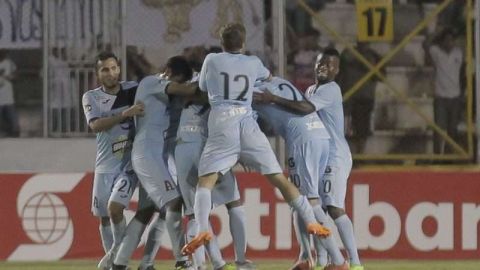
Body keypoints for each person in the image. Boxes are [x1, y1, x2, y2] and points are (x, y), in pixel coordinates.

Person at [181, 23, 331, 259]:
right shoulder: (253, 63)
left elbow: (202, 87)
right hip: (247, 122)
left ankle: (201, 230)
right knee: (280, 179)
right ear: (243, 44)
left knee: (205, 182)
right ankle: (311, 221)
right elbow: (268, 77)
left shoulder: (212, 59)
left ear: (222, 43)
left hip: (223, 122)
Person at [254, 48, 362, 270]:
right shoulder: (312, 89)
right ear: (315, 65)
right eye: (321, 63)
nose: (324, 67)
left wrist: (273, 99)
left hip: (335, 154)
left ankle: (354, 262)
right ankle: (320, 260)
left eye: (330, 65)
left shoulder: (331, 89)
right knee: (311, 204)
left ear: (337, 70)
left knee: (332, 207)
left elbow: (306, 108)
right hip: (320, 150)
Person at [176, 45, 255, 270]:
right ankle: (240, 260)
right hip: (212, 148)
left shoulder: (191, 83)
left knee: (195, 212)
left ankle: (205, 264)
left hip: (185, 148)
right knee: (233, 203)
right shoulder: (229, 86)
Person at [130, 55, 198, 270]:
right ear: (168, 71)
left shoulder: (171, 89)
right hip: (151, 154)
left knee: (157, 211)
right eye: (176, 79)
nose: (177, 84)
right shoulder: (156, 83)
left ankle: (145, 264)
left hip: (164, 154)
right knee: (172, 203)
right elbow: (186, 91)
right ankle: (182, 260)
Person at [81, 52, 144, 269]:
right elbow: (96, 126)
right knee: (104, 217)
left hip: (128, 165)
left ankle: (115, 257)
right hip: (105, 165)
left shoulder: (133, 89)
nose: (111, 73)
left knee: (114, 209)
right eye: (105, 69)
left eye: (114, 68)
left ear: (119, 68)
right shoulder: (91, 97)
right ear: (97, 73)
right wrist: (125, 114)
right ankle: (117, 263)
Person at [425, 28, 464, 154]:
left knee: (452, 130)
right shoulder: (436, 52)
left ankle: (448, 158)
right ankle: (437, 157)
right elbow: (425, 44)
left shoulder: (459, 52)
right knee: (439, 130)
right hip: (441, 97)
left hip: (455, 97)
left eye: (451, 40)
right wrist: (437, 32)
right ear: (442, 42)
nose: (449, 43)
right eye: (446, 40)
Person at [337, 42, 381, 154]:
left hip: (364, 97)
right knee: (345, 130)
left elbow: (381, 76)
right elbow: (338, 74)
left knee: (362, 131)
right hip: (348, 97)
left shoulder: (374, 55)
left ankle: (360, 155)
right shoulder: (347, 54)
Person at [0, 50, 19, 137]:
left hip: (7, 94)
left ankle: (15, 131)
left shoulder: (9, 63)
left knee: (11, 114)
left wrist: (8, 77)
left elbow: (16, 76)